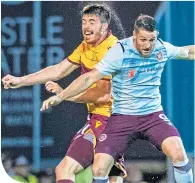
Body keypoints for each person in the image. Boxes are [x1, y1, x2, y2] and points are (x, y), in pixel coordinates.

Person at [39, 14, 194, 183]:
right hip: (122, 119)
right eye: (143, 39)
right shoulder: (119, 52)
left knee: (179, 154)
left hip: (153, 116)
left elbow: (187, 52)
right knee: (99, 168)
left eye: (152, 40)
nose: (148, 45)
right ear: (134, 35)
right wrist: (62, 96)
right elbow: (89, 78)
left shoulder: (162, 48)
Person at [2, 4, 126, 183]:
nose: (86, 27)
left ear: (104, 26)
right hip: (96, 119)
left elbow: (102, 94)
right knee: (63, 170)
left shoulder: (113, 49)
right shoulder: (86, 46)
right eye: (84, 22)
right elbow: (59, 70)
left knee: (103, 172)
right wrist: (20, 80)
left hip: (114, 123)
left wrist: (63, 95)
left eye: (92, 22)